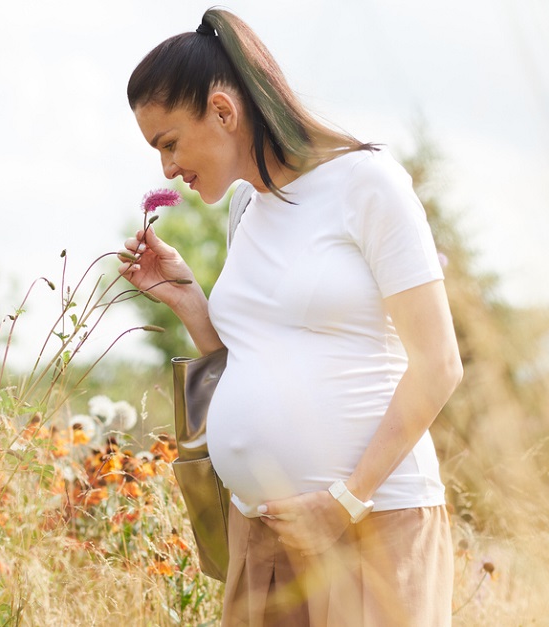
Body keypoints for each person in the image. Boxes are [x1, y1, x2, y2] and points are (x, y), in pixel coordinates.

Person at [119, 9, 462, 626]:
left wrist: (342, 504)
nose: (166, 170)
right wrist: (192, 303)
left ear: (224, 112)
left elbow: (439, 365)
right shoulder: (247, 205)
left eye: (168, 143)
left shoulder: (368, 184)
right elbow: (253, 356)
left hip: (370, 526)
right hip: (264, 537)